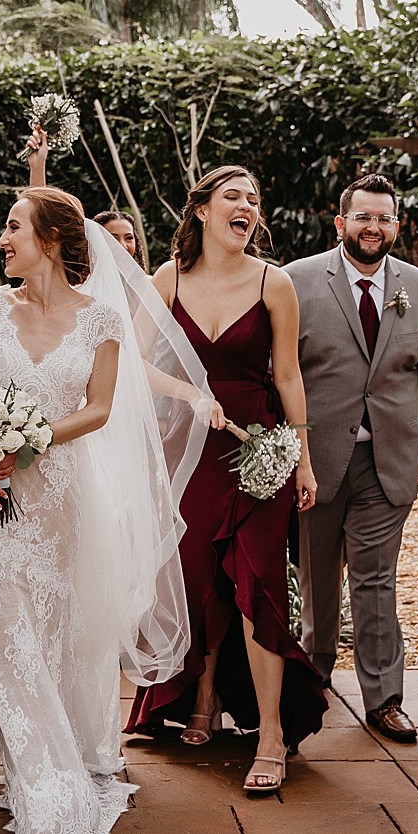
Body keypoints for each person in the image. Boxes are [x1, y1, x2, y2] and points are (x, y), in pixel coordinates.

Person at [0, 187, 211, 834]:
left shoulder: (101, 321)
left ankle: (66, 753)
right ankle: (42, 776)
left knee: (58, 628)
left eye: (12, 227)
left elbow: (98, 407)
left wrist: (29, 439)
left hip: (62, 495)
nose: (0, 239)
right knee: (2, 630)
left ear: (53, 240)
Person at [126, 166, 328, 793]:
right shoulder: (169, 278)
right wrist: (189, 392)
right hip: (189, 451)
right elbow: (135, 363)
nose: (247, 207)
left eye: (254, 199)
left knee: (261, 582)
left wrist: (302, 455)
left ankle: (270, 733)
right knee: (194, 577)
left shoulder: (276, 282)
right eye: (233, 197)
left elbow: (289, 376)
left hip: (257, 448)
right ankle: (203, 693)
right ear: (203, 212)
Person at [284, 173, 418, 744]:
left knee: (376, 580)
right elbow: (280, 373)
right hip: (316, 458)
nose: (373, 228)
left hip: (390, 458)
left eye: (384, 218)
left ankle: (385, 698)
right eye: (363, 217)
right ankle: (315, 678)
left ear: (397, 226)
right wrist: (288, 450)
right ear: (341, 223)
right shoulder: (297, 281)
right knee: (317, 579)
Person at [24, 123, 147, 269]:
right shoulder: (81, 281)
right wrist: (37, 166)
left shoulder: (148, 285)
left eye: (128, 238)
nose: (122, 245)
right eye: (112, 239)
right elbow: (42, 219)